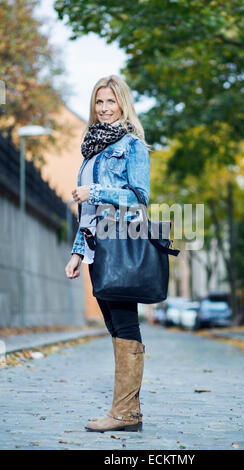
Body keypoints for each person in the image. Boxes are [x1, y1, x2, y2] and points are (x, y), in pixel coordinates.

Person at [64, 75, 150, 433]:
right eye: (99, 102)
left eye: (110, 102)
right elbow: (87, 214)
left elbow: (140, 197)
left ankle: (125, 413)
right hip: (97, 250)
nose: (104, 109)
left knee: (126, 324)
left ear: (122, 104)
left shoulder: (133, 146)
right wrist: (77, 253)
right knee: (115, 326)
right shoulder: (92, 149)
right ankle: (127, 410)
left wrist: (95, 191)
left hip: (121, 246)